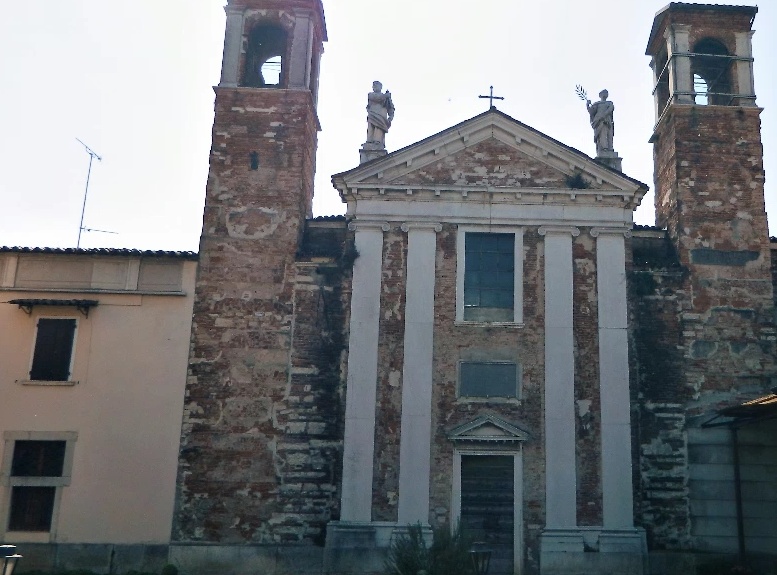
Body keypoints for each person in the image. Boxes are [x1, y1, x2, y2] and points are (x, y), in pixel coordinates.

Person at [366, 81, 395, 146]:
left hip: (381, 117)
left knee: (379, 128)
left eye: (376, 86)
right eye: (374, 86)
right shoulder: (371, 94)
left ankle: (378, 141)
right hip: (372, 114)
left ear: (380, 87)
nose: (375, 87)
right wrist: (386, 96)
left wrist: (391, 117)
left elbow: (391, 107)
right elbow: (375, 98)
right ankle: (369, 141)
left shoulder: (386, 97)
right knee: (371, 128)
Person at [587, 89, 614, 155]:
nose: (605, 94)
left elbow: (610, 109)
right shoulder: (597, 104)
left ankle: (609, 149)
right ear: (600, 95)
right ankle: (604, 149)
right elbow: (592, 112)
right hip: (599, 121)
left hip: (607, 121)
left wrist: (603, 115)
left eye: (606, 93)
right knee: (602, 134)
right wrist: (588, 105)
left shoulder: (609, 103)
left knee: (609, 135)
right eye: (603, 93)